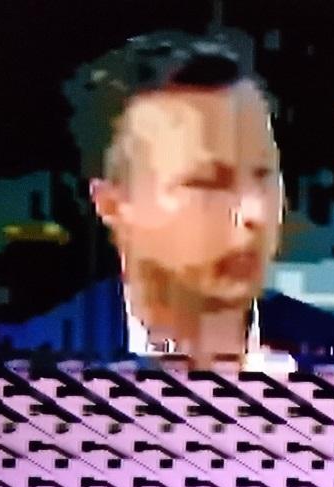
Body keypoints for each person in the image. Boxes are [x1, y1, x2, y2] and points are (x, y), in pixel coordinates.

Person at [89, 33, 294, 372]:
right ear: (112, 204)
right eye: (209, 184)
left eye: (263, 176)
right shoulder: (22, 366)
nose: (254, 213)